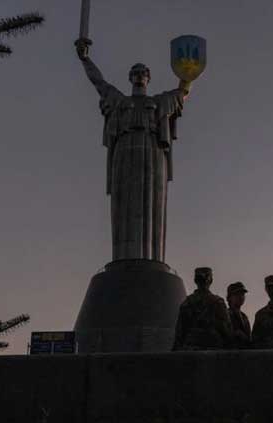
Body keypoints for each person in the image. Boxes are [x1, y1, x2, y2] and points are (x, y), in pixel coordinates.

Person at [75, 38, 192, 262]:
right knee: (123, 204)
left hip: (152, 152)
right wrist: (85, 59)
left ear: (148, 78)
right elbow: (98, 82)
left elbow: (182, 92)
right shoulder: (119, 101)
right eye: (136, 73)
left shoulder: (159, 102)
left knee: (152, 204)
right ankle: (122, 258)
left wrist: (190, 70)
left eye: (143, 73)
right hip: (125, 151)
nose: (139, 76)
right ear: (130, 78)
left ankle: (153, 259)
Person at [172, 267, 232, 350]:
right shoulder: (218, 302)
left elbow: (179, 334)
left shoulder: (186, 304)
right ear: (211, 281)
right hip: (214, 352)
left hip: (190, 351)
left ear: (195, 281)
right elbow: (227, 331)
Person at [226, 282, 251, 349]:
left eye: (242, 294)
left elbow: (249, 339)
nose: (241, 296)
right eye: (237, 294)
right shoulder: (225, 315)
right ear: (229, 298)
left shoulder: (244, 317)